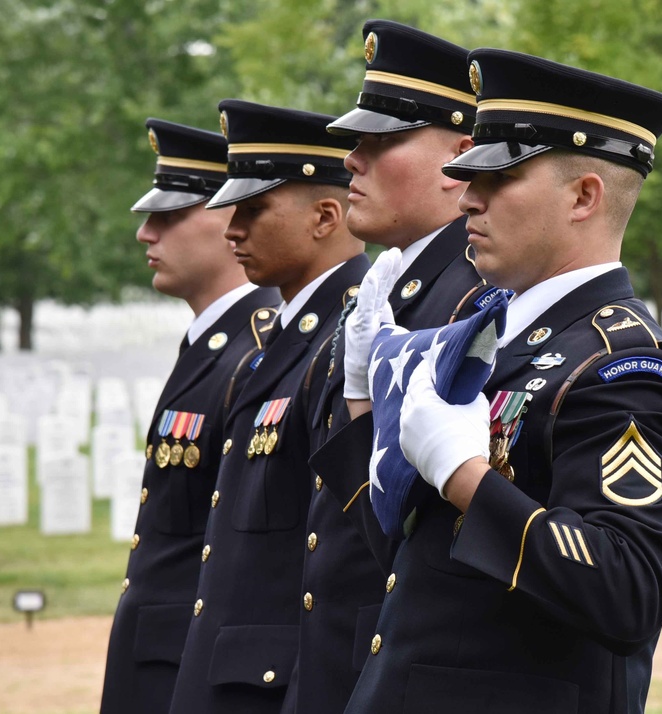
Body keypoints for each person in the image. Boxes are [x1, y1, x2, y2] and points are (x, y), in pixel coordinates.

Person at [342, 49, 662, 713]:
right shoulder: (482, 340)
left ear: (584, 196)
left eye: (499, 178)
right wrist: (368, 406)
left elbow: (629, 591)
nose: (468, 196)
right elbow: (407, 562)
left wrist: (466, 479)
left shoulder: (622, 369)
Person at [292, 19, 489, 714]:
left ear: (460, 158)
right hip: (338, 661)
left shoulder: (472, 298)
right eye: (355, 142)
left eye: (381, 143)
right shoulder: (389, 290)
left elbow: (410, 523)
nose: (351, 159)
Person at [166, 100, 369, 714]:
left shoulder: (349, 337)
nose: (232, 231)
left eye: (253, 212)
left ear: (325, 216)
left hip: (278, 684)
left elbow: (337, 554)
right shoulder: (281, 338)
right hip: (235, 674)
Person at [99, 118, 280, 714]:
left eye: (168, 216)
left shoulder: (257, 352)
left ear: (230, 217)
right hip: (159, 660)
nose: (145, 235)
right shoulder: (212, 344)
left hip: (194, 670)